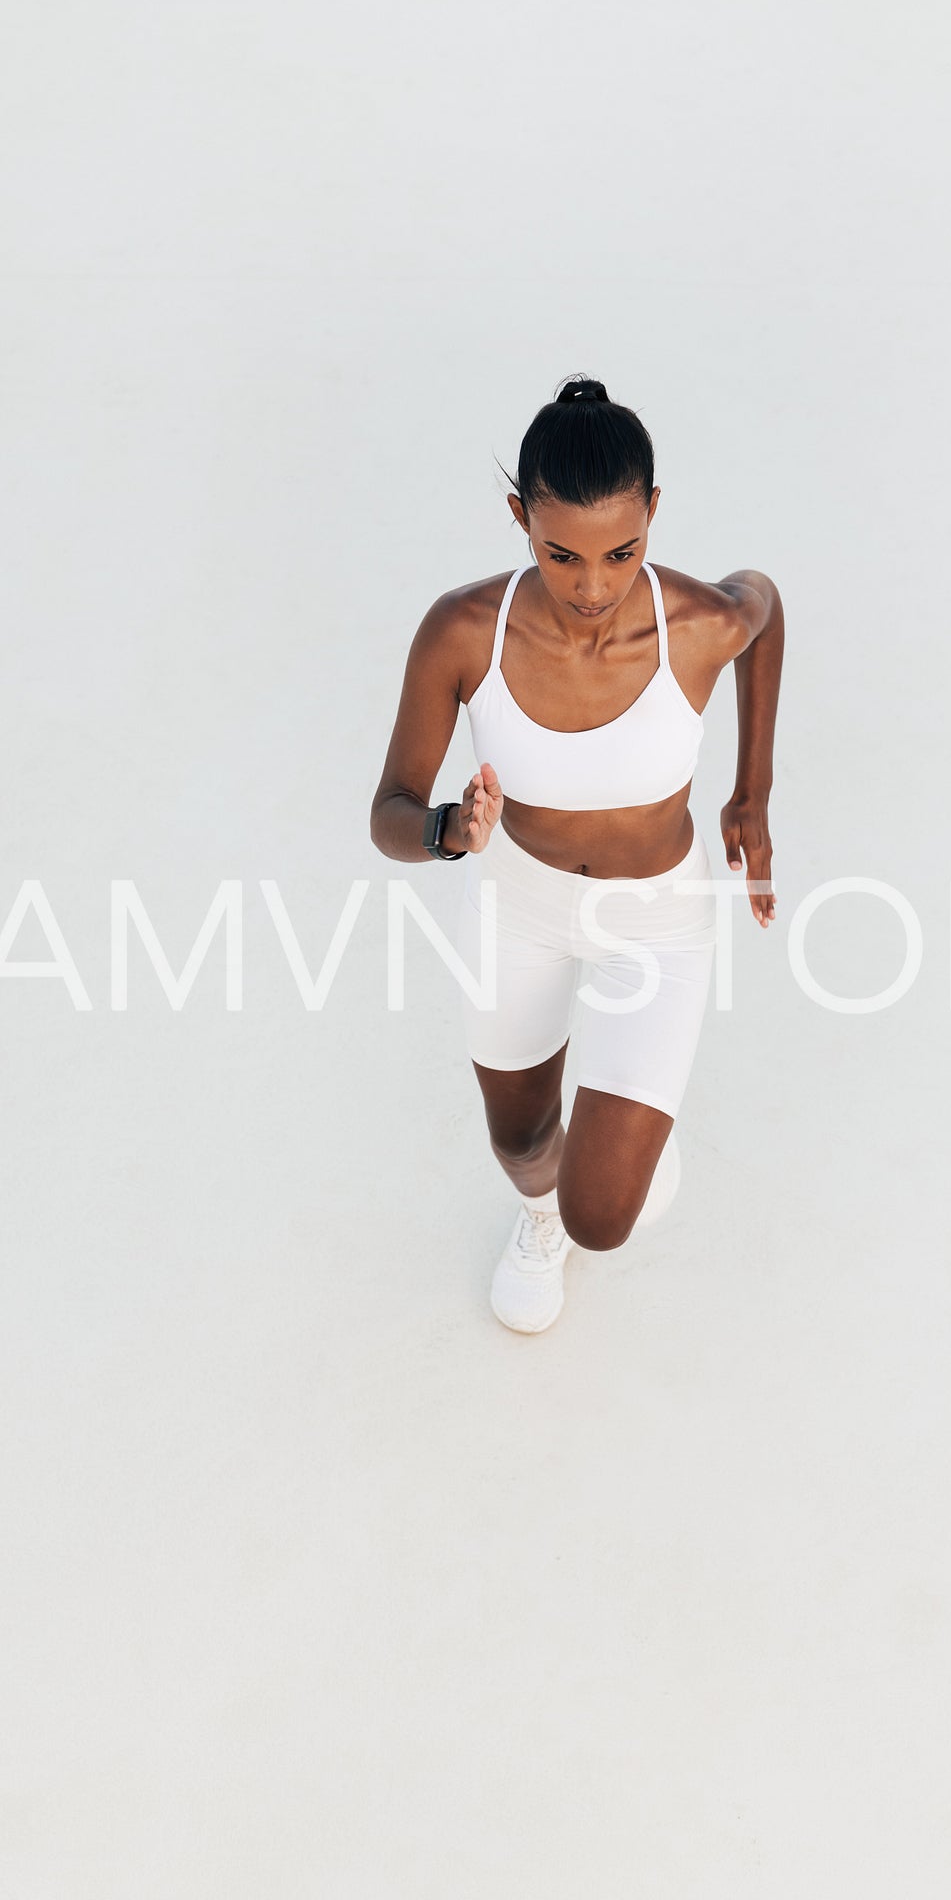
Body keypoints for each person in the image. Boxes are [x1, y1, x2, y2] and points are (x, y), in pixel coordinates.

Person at [369, 375, 784, 1333]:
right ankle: (534, 1217)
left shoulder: (699, 625)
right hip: (520, 904)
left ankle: (600, 1180)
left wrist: (750, 794)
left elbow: (764, 608)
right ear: (518, 517)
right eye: (560, 554)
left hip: (658, 920)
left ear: (652, 515)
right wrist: (444, 832)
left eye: (621, 552)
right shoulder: (462, 631)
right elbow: (389, 809)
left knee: (603, 1215)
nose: (593, 586)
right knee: (521, 1144)